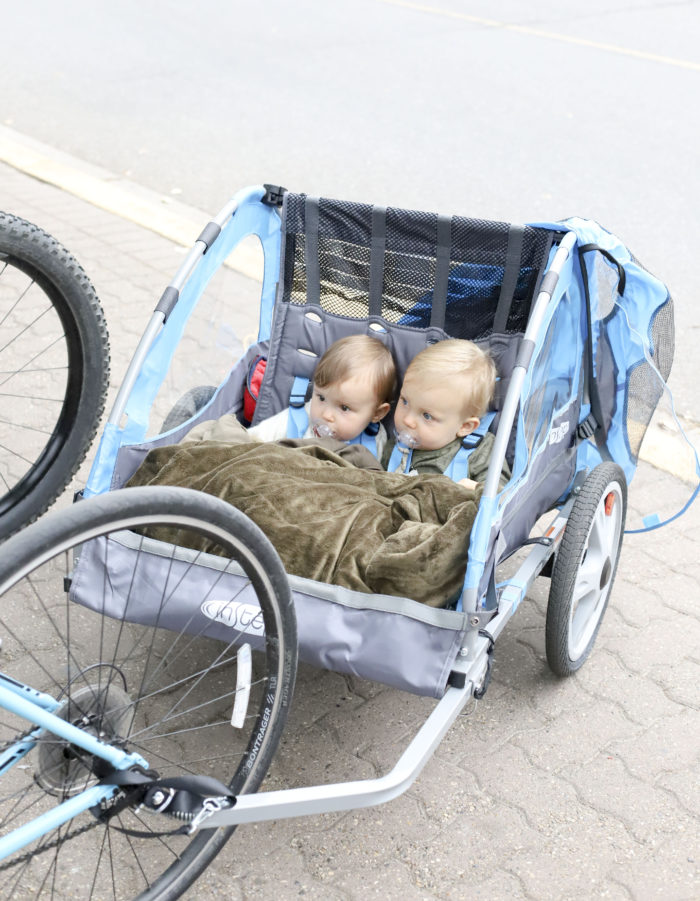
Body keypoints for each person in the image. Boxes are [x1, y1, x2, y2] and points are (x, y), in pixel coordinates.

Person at [184, 334, 396, 457]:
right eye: (321, 398)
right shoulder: (297, 420)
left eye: (344, 408)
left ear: (377, 413)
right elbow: (252, 442)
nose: (326, 415)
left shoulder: (375, 443)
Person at [380, 338, 510, 489]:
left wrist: (475, 489)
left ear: (465, 426)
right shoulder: (396, 443)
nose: (408, 420)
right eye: (405, 401)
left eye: (427, 416)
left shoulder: (480, 451)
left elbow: (501, 494)